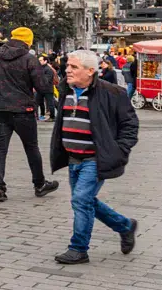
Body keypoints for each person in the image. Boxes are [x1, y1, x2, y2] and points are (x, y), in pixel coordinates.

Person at [51, 49, 139, 265]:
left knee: (81, 200)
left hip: (95, 159)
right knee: (85, 201)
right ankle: (125, 226)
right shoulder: (66, 89)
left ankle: (78, 248)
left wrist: (119, 150)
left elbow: (130, 125)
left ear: (90, 71)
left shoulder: (112, 92)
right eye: (67, 66)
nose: (67, 70)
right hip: (73, 158)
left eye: (73, 67)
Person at [0, 27, 60, 203]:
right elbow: (42, 87)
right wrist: (50, 76)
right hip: (24, 110)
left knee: (0, 149)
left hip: (0, 110)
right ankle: (39, 184)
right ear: (28, 41)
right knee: (31, 148)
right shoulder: (29, 59)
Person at [35, 54, 57, 122]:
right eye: (38, 60)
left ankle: (52, 117)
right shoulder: (40, 68)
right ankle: (39, 115)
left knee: (50, 103)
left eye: (41, 60)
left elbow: (47, 81)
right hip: (40, 89)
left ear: (45, 61)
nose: (39, 62)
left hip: (47, 89)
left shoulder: (48, 69)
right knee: (37, 102)